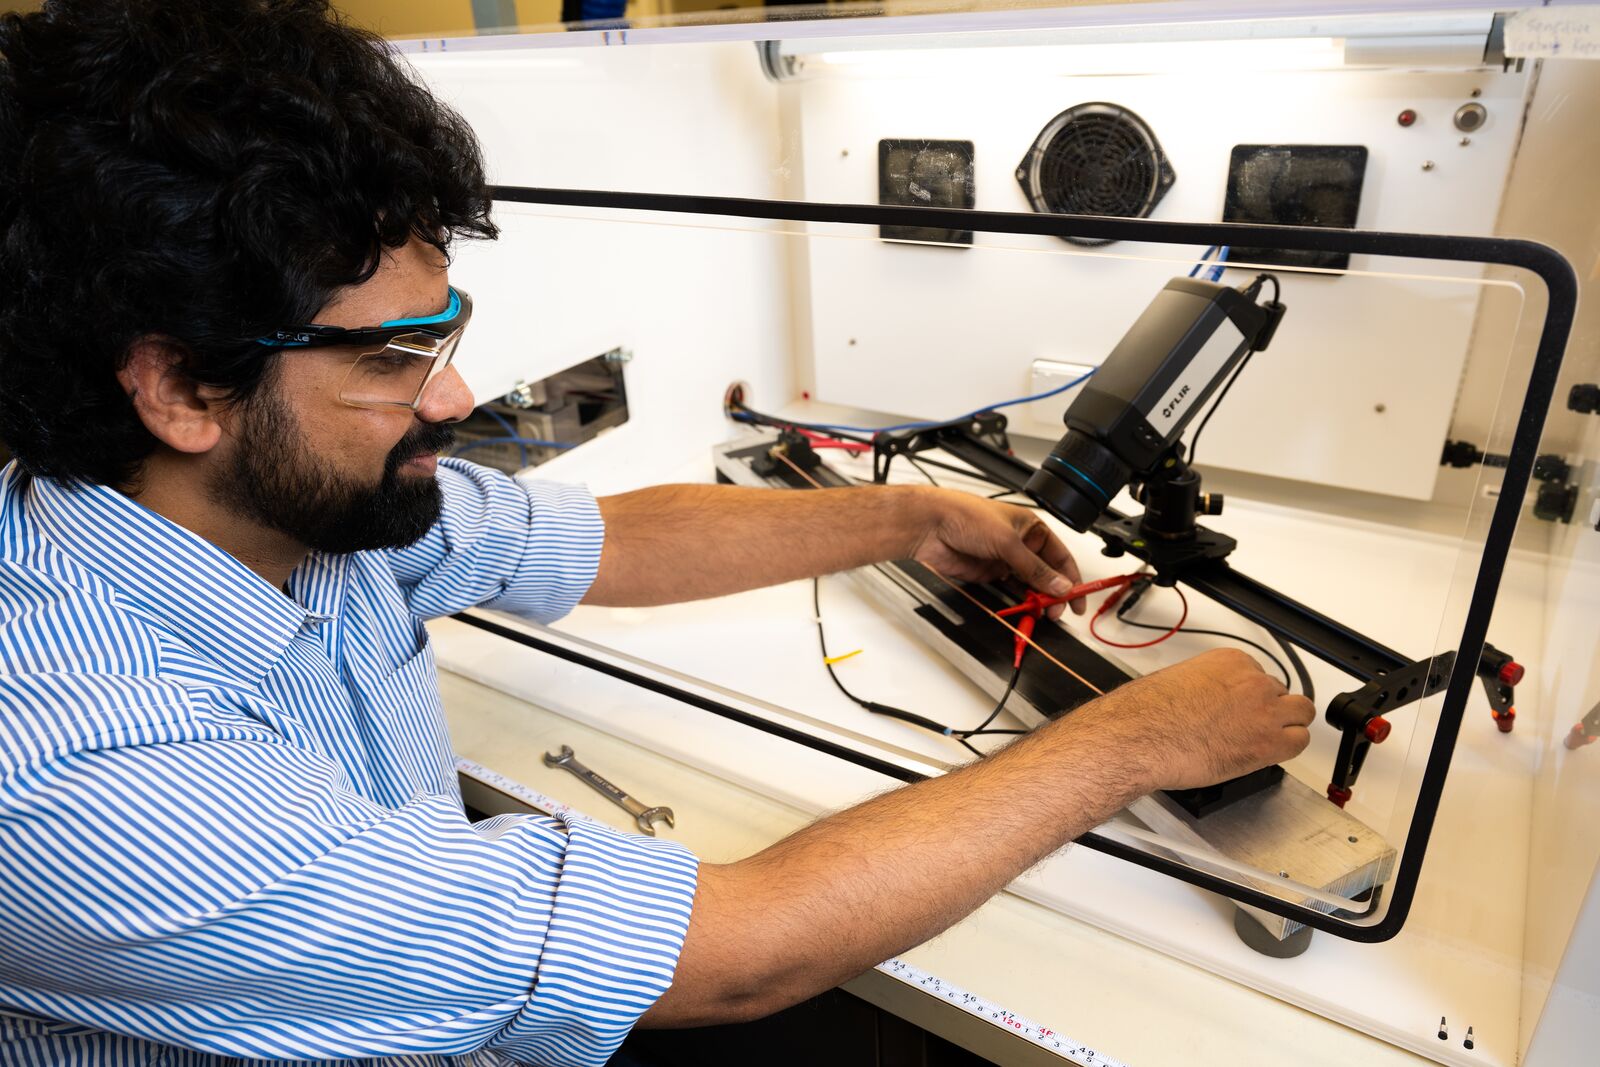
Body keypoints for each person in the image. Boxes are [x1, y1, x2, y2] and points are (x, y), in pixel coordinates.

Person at [0, 2, 1315, 1065]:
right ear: (178, 389)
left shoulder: (287, 505)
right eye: (399, 358)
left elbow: (609, 541)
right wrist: (1139, 738)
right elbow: (741, 952)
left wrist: (907, 518)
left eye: (440, 334)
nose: (454, 398)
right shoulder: (81, 773)